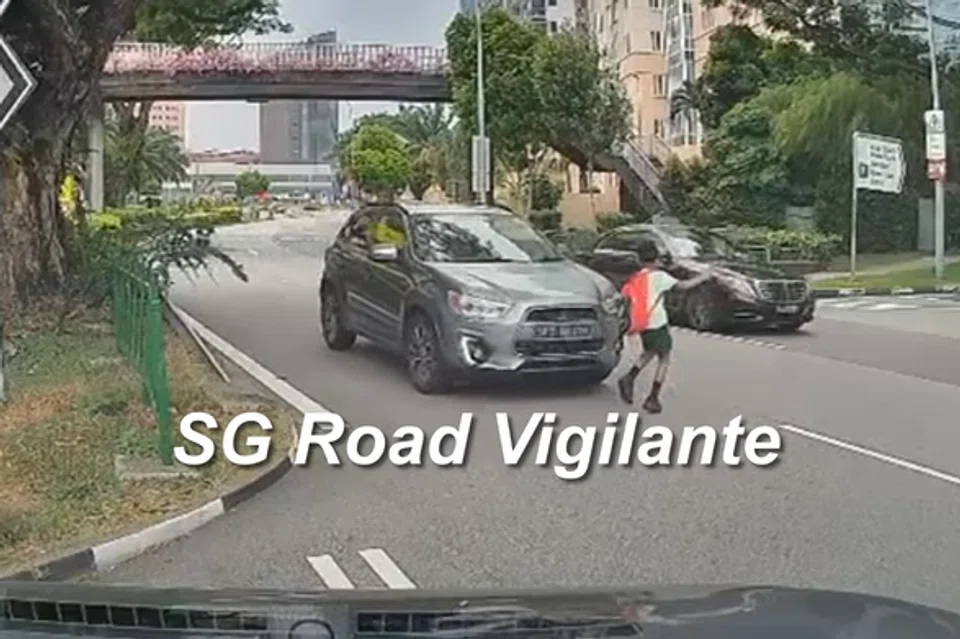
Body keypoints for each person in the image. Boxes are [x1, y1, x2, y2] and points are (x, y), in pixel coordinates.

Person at [617, 238, 716, 413]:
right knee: (664, 358)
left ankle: (629, 378)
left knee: (649, 351)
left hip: (642, 324)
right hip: (657, 323)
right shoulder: (660, 277)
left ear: (640, 260)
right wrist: (703, 277)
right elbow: (684, 286)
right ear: (656, 259)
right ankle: (652, 398)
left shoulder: (636, 278)